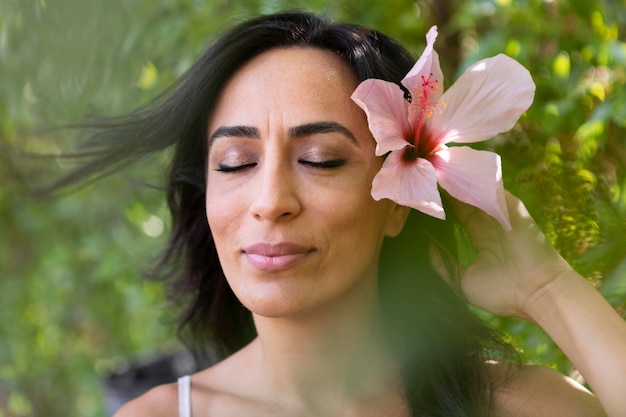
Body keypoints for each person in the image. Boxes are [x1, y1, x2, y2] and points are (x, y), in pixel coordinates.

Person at [55, 12, 625, 417]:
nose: (270, 200)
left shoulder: (519, 407)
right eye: (234, 163)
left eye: (319, 159)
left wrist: (548, 288)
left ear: (399, 201)